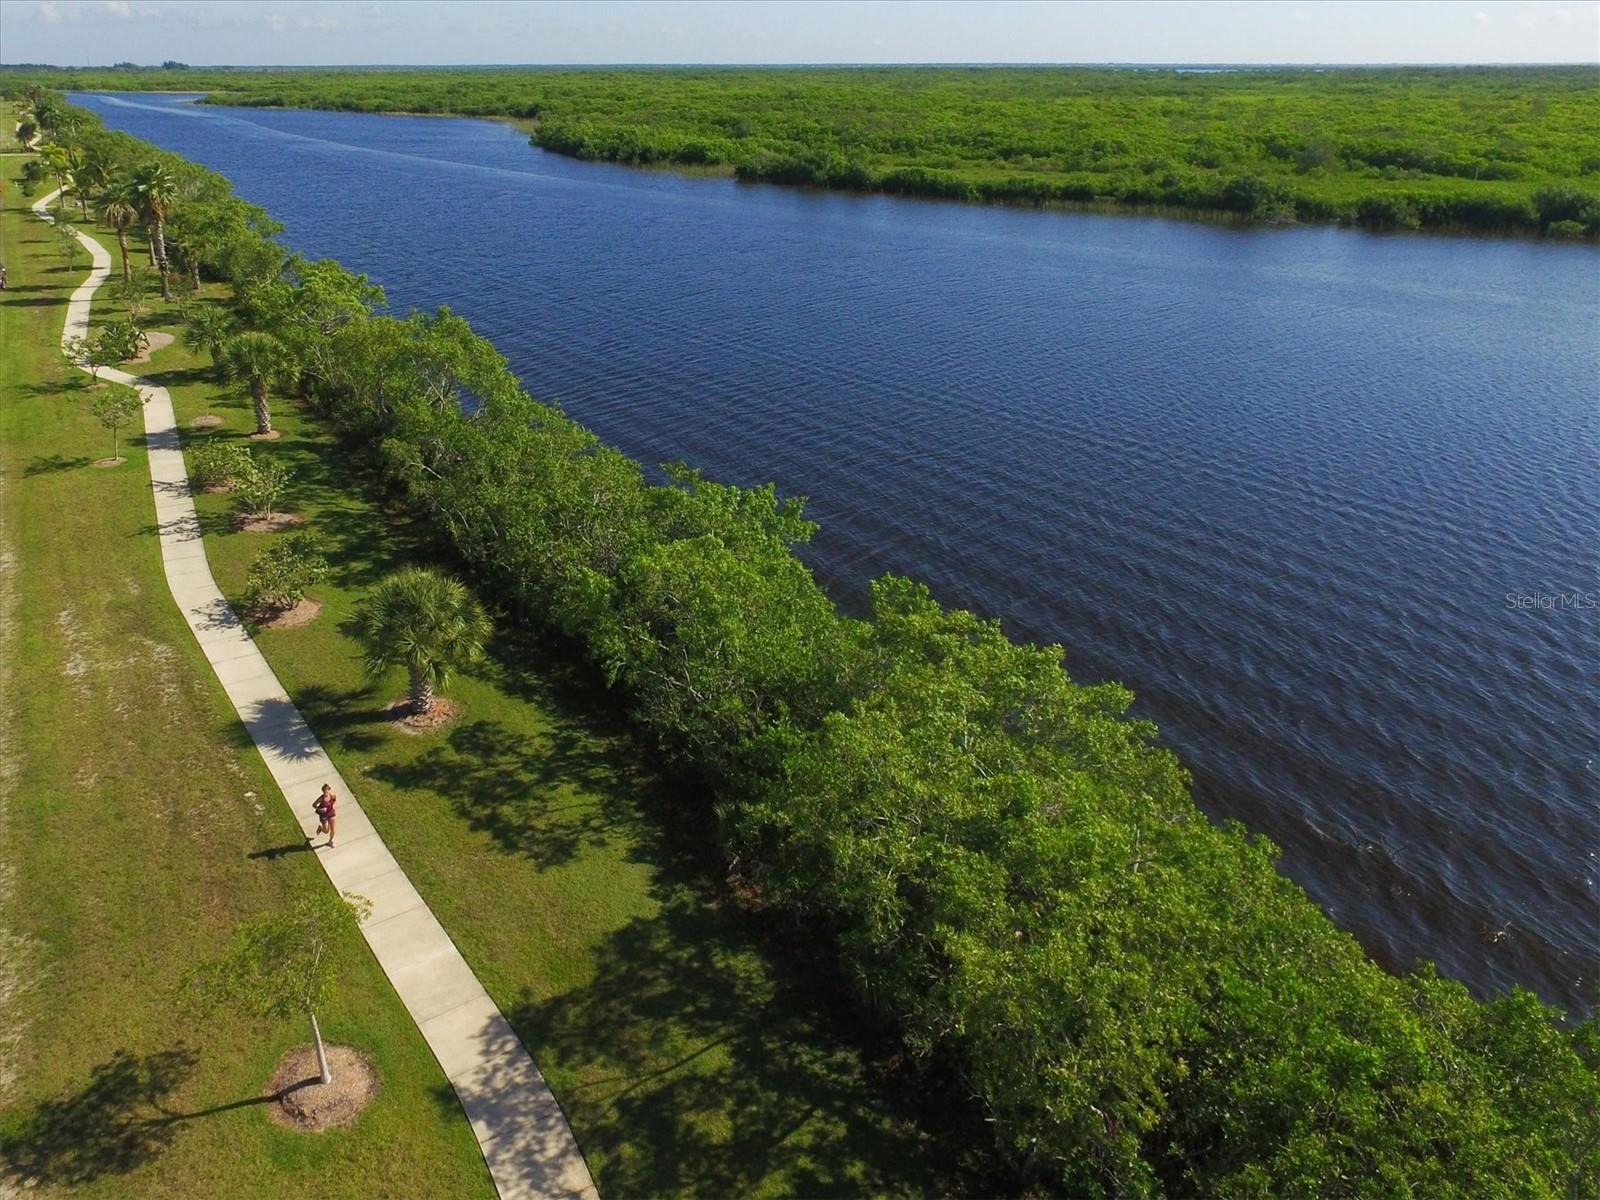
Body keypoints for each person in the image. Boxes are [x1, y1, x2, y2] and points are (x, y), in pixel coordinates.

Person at [312, 782, 337, 848]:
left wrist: (334, 805)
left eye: (327, 790)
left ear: (329, 790)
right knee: (326, 831)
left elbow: (334, 800)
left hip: (331, 813)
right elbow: (313, 805)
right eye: (324, 791)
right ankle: (321, 828)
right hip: (324, 815)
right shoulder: (321, 798)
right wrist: (320, 809)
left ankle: (330, 841)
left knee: (333, 830)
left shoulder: (332, 795)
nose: (325, 792)